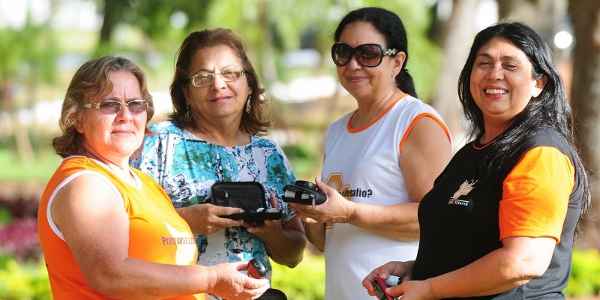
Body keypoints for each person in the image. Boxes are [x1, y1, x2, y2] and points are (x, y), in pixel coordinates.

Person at [363, 22, 591, 300]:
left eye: (510, 66)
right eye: (483, 63)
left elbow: (522, 262)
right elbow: (468, 246)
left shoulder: (541, 153)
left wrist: (430, 289)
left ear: (538, 83)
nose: (494, 74)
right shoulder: (471, 153)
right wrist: (415, 271)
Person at [38, 56, 269, 300]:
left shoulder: (142, 183)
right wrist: (211, 279)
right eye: (109, 104)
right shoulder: (86, 184)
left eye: (136, 104)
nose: (125, 115)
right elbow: (110, 275)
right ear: (77, 118)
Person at [289, 7, 453, 300]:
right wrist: (311, 215)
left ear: (397, 62)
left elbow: (438, 220)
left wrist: (350, 212)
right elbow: (328, 239)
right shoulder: (337, 130)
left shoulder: (416, 122)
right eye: (343, 53)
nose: (353, 64)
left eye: (368, 54)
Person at [133, 28, 306, 299]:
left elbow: (294, 254)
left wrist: (272, 234)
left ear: (249, 84)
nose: (218, 85)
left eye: (230, 73)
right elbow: (124, 234)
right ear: (186, 92)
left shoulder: (268, 153)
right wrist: (185, 221)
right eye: (203, 77)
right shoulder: (157, 144)